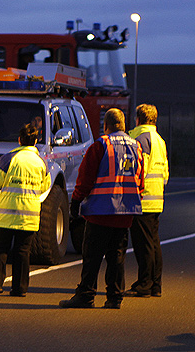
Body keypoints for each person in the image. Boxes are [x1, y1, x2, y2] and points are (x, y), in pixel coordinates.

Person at [59, 108, 144, 309]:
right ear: (123, 126)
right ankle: (114, 298)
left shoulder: (101, 145)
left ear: (106, 125)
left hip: (100, 212)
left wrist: (76, 201)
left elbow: (86, 177)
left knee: (92, 257)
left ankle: (86, 295)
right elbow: (140, 178)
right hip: (125, 213)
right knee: (117, 256)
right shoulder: (136, 146)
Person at [0, 123, 51, 297]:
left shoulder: (8, 158)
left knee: (1, 250)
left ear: (19, 140)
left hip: (6, 215)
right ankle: (20, 288)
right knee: (23, 251)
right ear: (35, 141)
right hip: (29, 216)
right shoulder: (41, 162)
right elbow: (45, 186)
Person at [125, 104, 169, 298]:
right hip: (156, 197)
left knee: (143, 244)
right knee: (153, 242)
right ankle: (155, 285)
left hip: (142, 199)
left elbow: (137, 171)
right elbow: (165, 174)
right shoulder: (160, 140)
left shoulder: (139, 139)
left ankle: (144, 284)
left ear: (138, 119)